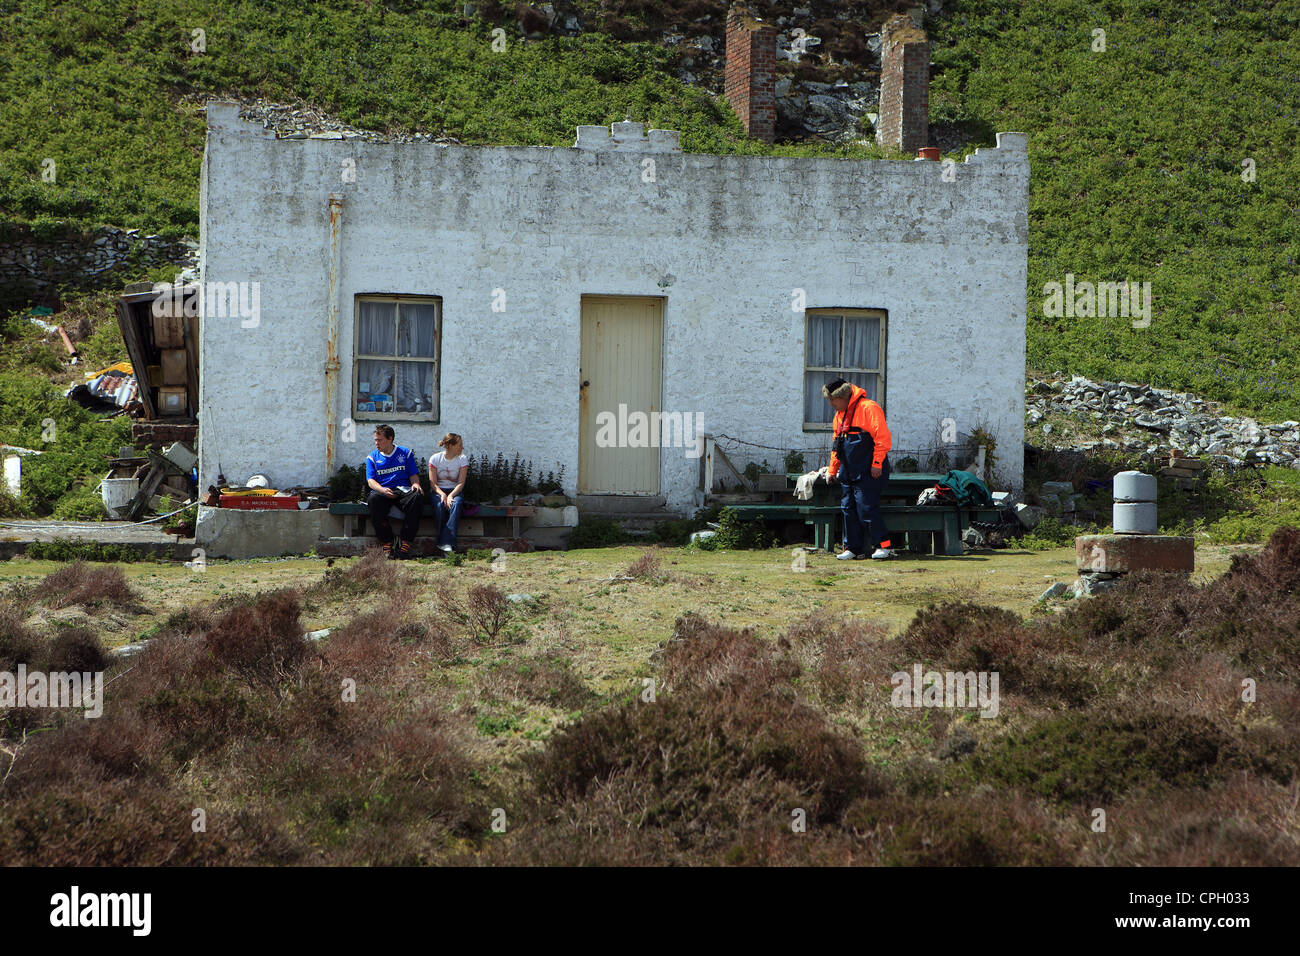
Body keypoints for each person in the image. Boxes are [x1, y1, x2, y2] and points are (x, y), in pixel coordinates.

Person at [823, 378, 894, 560]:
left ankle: (883, 546)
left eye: (833, 400)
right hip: (848, 470)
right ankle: (853, 549)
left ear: (843, 396)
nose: (831, 404)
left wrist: (877, 464)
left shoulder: (869, 408)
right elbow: (837, 446)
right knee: (848, 508)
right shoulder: (839, 415)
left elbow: (882, 438)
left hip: (869, 470)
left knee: (867, 508)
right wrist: (832, 470)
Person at [365, 425, 424, 559]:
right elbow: (371, 481)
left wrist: (416, 484)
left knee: (417, 497)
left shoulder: (405, 453)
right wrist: (382, 490)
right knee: (373, 500)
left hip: (403, 489)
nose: (376, 443)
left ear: (390, 439)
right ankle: (387, 541)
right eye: (375, 440)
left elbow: (413, 474)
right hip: (383, 490)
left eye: (379, 440)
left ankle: (405, 542)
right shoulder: (372, 457)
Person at [427, 433, 469, 555]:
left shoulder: (462, 459)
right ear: (450, 445)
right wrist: (442, 495)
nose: (462, 447)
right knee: (440, 506)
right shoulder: (435, 459)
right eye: (460, 445)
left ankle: (446, 544)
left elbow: (461, 483)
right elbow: (433, 483)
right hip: (438, 491)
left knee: (456, 503)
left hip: (455, 491)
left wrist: (450, 495)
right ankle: (445, 543)